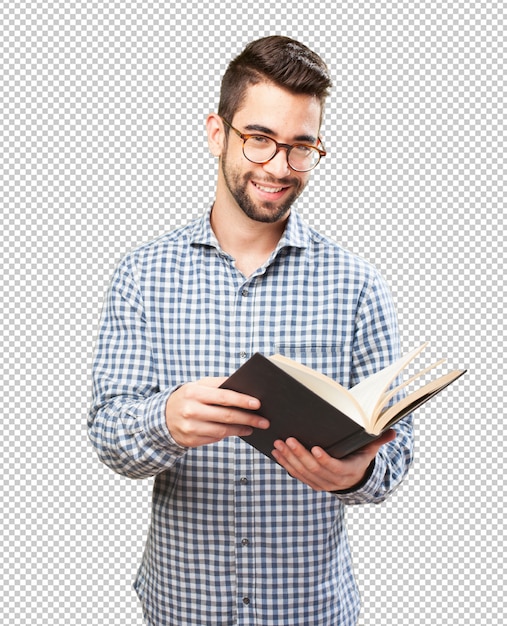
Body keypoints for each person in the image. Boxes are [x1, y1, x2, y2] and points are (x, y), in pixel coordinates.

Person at [88, 35, 414, 626]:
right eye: (260, 139)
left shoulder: (358, 285)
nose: (278, 167)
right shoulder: (141, 274)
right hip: (183, 607)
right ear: (218, 133)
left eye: (301, 147)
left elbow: (397, 455)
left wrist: (358, 473)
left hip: (310, 611)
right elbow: (109, 433)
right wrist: (164, 420)